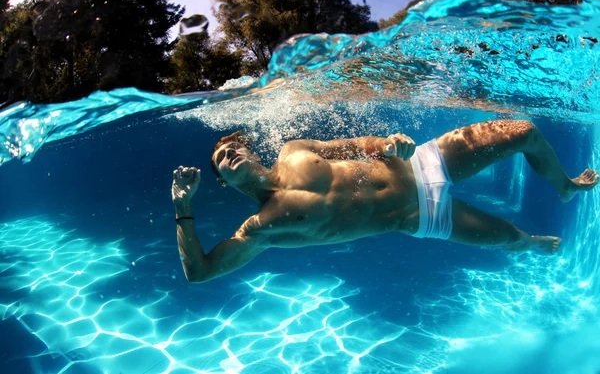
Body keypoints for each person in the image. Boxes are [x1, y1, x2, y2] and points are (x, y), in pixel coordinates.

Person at [171, 120, 598, 283]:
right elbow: (200, 272)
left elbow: (355, 144)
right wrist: (182, 207)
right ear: (224, 182)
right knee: (509, 238)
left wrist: (389, 143)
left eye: (232, 148)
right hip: (422, 216)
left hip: (420, 164)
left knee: (523, 132)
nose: (230, 155)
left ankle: (563, 185)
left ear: (251, 151)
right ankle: (527, 241)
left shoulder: (294, 150)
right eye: (221, 160)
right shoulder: (262, 227)